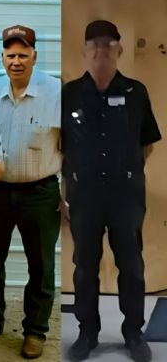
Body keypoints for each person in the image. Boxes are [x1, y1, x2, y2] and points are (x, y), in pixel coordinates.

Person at [63, 20, 161, 362]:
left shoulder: (136, 92)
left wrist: (125, 173)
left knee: (131, 266)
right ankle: (87, 333)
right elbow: (60, 146)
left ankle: (133, 333)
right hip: (84, 196)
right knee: (84, 266)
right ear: (85, 51)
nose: (101, 51)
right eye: (94, 45)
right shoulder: (70, 94)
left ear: (119, 50)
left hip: (125, 196)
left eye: (108, 44)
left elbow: (147, 144)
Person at [0, 25, 61, 359]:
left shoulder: (55, 92)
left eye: (23, 54)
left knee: (41, 264)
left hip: (41, 192)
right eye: (11, 55)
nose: (17, 61)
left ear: (35, 56)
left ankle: (35, 331)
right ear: (2, 58)